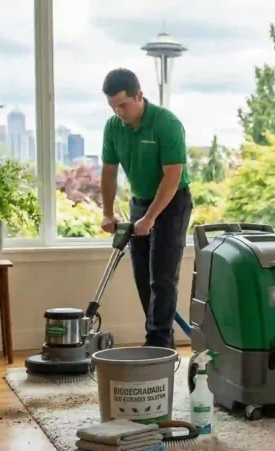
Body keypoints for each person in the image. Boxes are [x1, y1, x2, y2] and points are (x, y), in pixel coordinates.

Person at [99, 68, 194, 349]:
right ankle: (157, 337)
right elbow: (108, 171)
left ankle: (158, 344)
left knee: (162, 277)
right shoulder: (113, 127)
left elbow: (173, 176)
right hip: (139, 201)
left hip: (172, 201)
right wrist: (107, 212)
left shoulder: (166, 124)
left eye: (123, 105)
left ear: (139, 95)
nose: (119, 112)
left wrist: (151, 217)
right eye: (113, 107)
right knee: (143, 276)